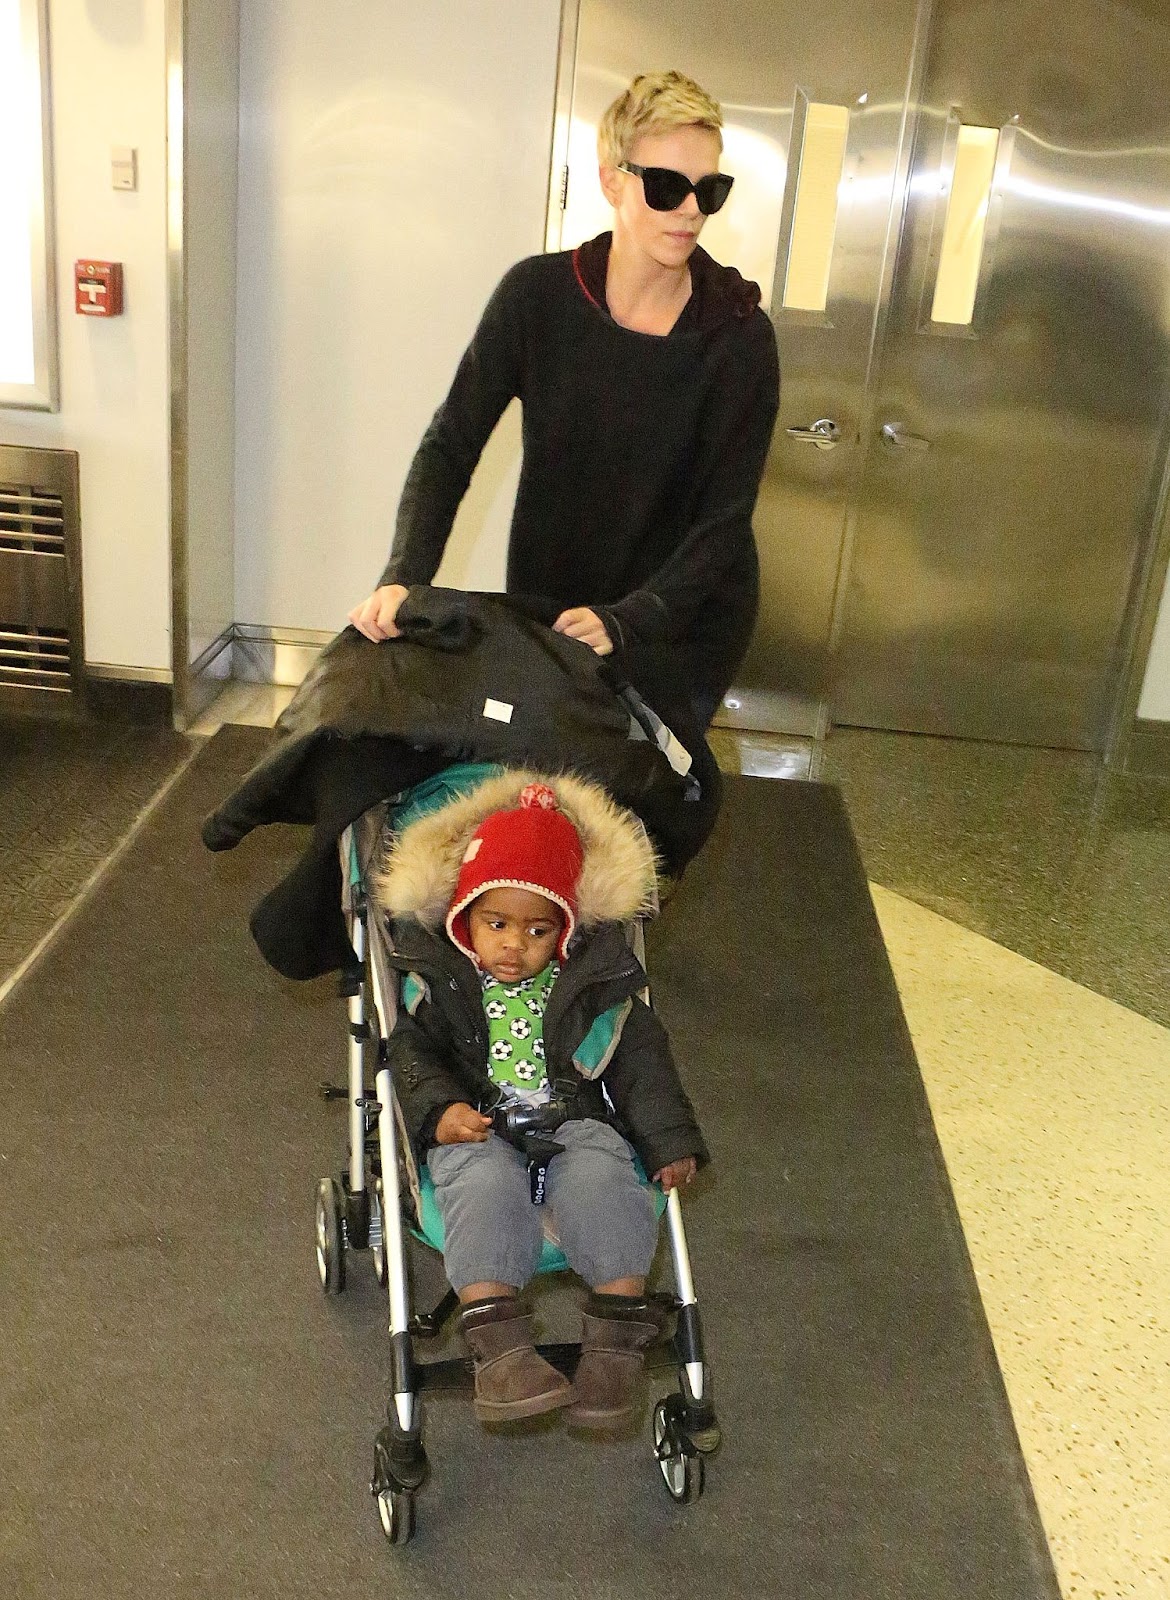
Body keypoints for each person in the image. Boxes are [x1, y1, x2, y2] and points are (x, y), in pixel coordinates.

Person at [349, 70, 780, 729]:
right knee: (540, 781)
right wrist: (406, 574)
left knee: (639, 798)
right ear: (611, 179)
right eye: (666, 187)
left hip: (681, 613)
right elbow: (452, 442)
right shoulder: (537, 298)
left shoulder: (739, 334)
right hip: (556, 593)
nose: (690, 209)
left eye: (709, 190)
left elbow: (725, 518)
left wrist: (631, 619)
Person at [376, 773, 708, 1428]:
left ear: (561, 932)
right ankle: (501, 1358)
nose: (512, 943)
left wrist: (669, 1143)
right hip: (478, 1124)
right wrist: (441, 1112)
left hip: (574, 1115)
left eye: (535, 930)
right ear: (464, 917)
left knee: (606, 1177)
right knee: (481, 1184)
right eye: (495, 923)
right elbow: (412, 1058)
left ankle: (613, 1350)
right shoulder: (442, 988)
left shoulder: (589, 986)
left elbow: (643, 1063)